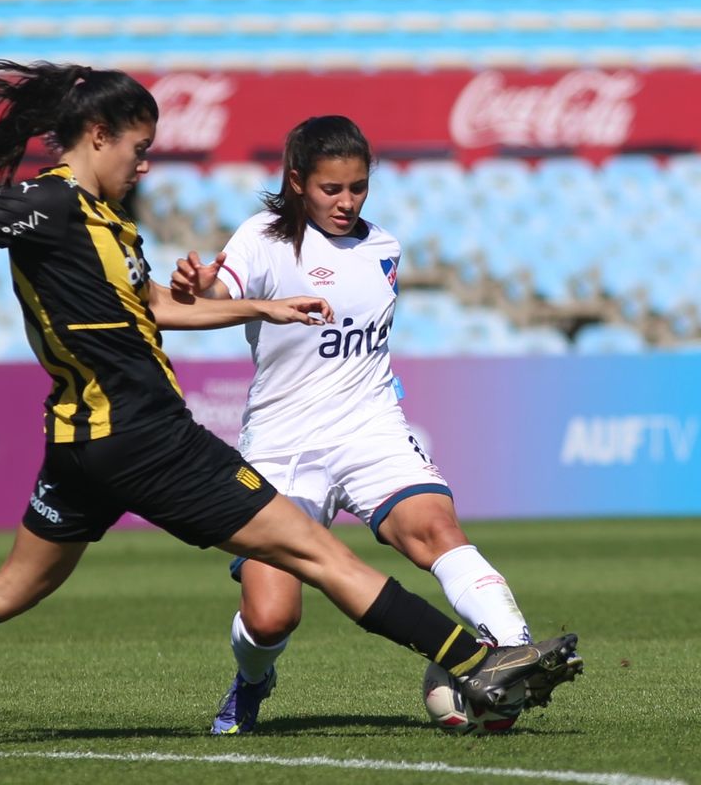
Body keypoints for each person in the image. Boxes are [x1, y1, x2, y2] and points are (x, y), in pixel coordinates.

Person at [0, 61, 579, 751]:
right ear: (98, 137)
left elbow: (158, 305)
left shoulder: (109, 227)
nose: (146, 165)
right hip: (148, 437)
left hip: (82, 445)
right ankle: (480, 665)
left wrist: (262, 310)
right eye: (140, 148)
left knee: (12, 586)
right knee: (323, 559)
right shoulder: (46, 204)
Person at [171, 115, 583, 735]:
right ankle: (252, 681)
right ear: (296, 182)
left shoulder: (384, 248)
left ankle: (512, 651)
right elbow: (213, 292)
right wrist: (195, 286)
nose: (346, 202)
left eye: (357, 187)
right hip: (281, 446)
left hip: (369, 427)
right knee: (272, 617)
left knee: (433, 528)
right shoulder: (262, 239)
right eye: (330, 189)